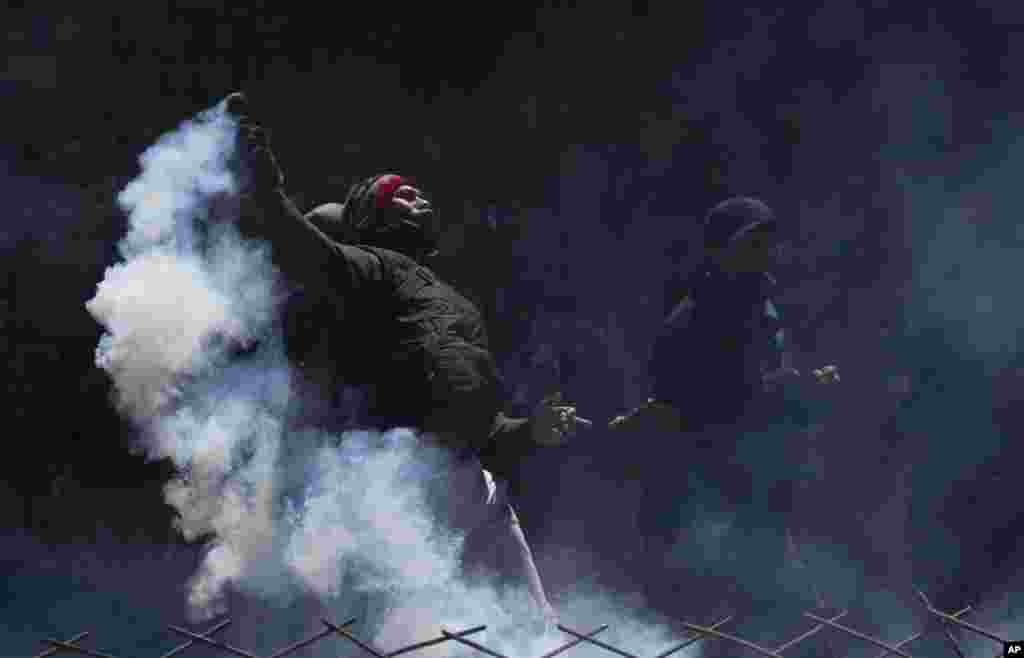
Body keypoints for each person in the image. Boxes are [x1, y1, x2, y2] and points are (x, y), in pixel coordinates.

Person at [223, 92, 580, 627]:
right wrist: (262, 177)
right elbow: (303, 247)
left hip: (473, 484)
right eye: (400, 195)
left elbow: (484, 427)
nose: (417, 197)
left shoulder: (457, 300)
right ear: (371, 217)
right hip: (403, 486)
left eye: (417, 193)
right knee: (419, 631)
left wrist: (533, 431)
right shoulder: (370, 271)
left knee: (535, 626)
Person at [608, 197, 839, 617]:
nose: (765, 252)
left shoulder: (762, 307)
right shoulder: (695, 319)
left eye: (768, 242)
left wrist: (803, 392)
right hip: (703, 503)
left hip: (757, 494)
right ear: (718, 251)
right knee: (711, 622)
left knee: (788, 620)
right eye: (751, 243)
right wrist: (789, 388)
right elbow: (700, 409)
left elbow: (765, 396)